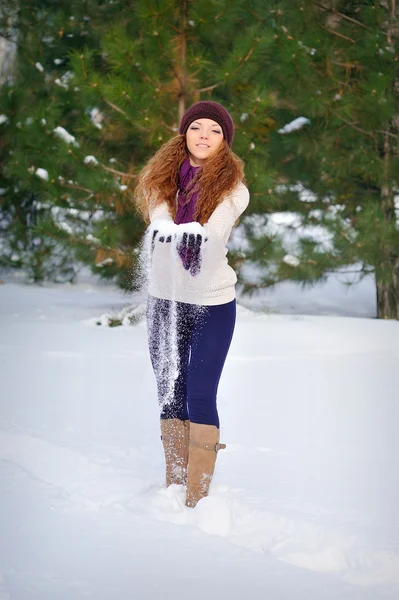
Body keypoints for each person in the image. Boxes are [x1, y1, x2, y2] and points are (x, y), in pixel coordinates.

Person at [134, 101, 250, 508]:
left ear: (224, 141)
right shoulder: (159, 179)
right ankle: (174, 482)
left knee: (200, 393)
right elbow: (160, 216)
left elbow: (214, 232)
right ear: (183, 133)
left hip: (212, 302)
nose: (204, 135)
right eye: (196, 127)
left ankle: (197, 496)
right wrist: (166, 227)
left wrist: (194, 235)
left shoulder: (234, 188)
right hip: (165, 302)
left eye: (214, 130)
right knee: (170, 391)